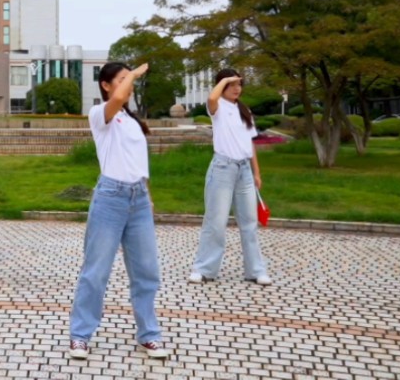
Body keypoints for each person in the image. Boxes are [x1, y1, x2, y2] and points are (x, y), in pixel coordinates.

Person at [69, 62, 169, 360]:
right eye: (123, 80)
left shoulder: (131, 120)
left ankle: (148, 334)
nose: (130, 84)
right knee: (96, 272)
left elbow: (139, 164)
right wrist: (135, 74)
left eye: (130, 79)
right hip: (110, 198)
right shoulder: (101, 115)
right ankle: (80, 335)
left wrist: (147, 197)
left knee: (146, 272)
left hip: (137, 199)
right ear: (106, 85)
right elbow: (118, 100)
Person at [189, 68, 272, 286]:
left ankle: (255, 270)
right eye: (231, 84)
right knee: (215, 221)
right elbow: (211, 97)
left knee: (249, 222)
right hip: (222, 168)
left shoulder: (244, 110)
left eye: (239, 84)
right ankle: (204, 269)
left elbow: (250, 143)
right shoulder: (216, 108)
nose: (237, 88)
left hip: (244, 170)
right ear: (222, 85)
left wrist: (257, 172)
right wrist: (225, 78)